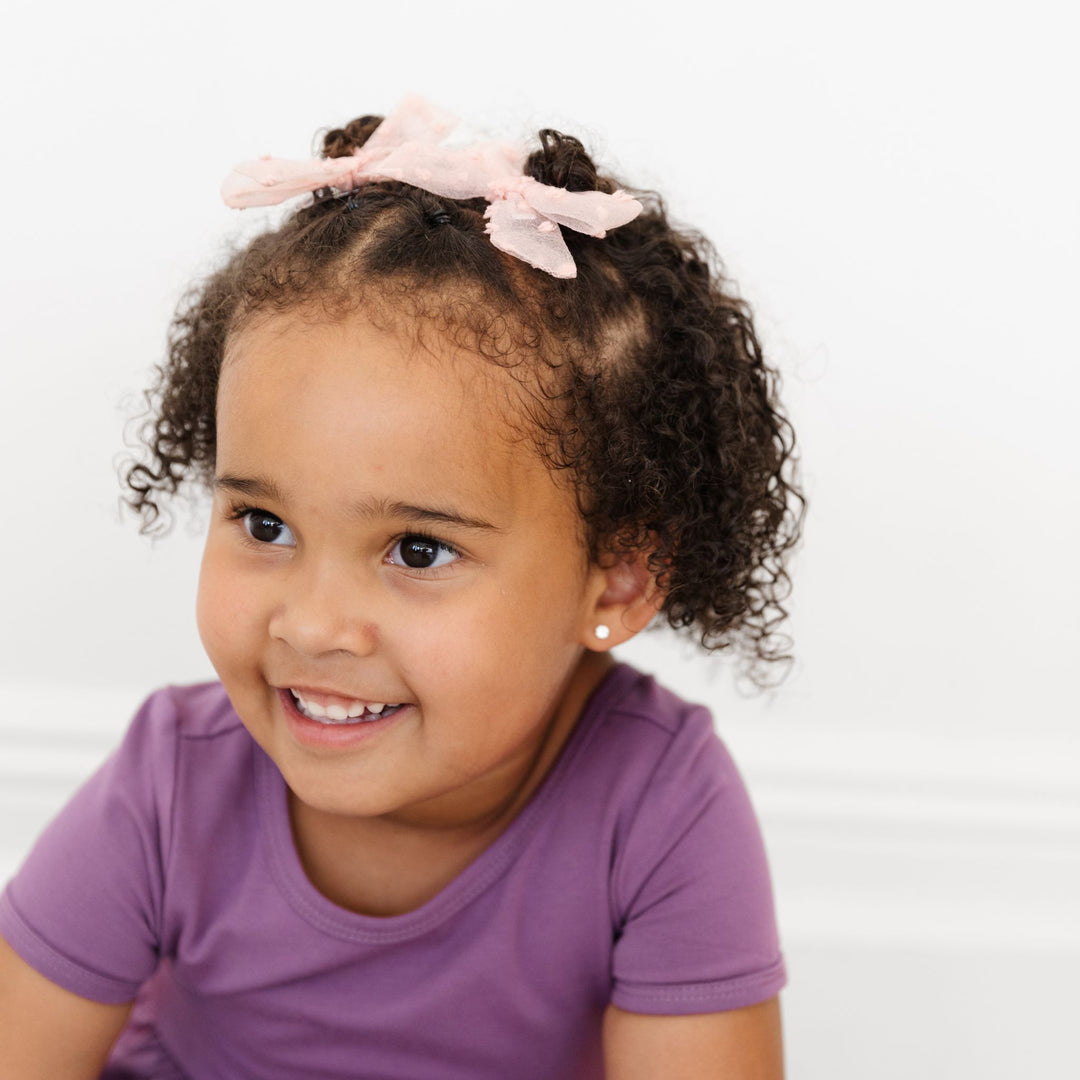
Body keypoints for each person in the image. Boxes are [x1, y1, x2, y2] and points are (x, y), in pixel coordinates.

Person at [0, 95, 804, 1079]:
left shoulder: (658, 809)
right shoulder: (172, 787)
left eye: (417, 550)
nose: (315, 623)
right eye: (265, 524)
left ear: (619, 578)